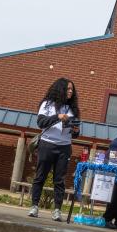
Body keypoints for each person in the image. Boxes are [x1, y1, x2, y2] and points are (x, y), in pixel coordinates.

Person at [28, 78, 81, 221]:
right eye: (68, 89)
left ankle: (57, 210)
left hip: (64, 147)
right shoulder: (47, 104)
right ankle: (34, 206)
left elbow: (75, 134)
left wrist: (76, 130)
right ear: (61, 89)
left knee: (60, 180)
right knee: (40, 176)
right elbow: (41, 122)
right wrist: (57, 117)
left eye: (72, 90)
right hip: (47, 144)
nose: (71, 91)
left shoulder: (73, 109)